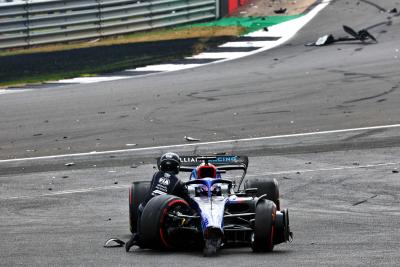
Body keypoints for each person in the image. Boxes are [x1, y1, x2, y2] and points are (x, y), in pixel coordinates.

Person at [125, 152, 190, 252]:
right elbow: (188, 201)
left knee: (141, 207)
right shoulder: (179, 183)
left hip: (144, 208)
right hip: (161, 214)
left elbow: (154, 189)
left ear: (161, 166)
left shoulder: (156, 175)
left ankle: (138, 235)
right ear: (177, 167)